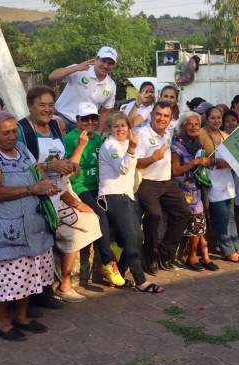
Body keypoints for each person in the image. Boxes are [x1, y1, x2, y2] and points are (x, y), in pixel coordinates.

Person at [0, 111, 61, 342]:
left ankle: (22, 316)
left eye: (13, 130)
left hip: (32, 227)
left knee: (27, 274)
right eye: (5, 132)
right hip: (5, 231)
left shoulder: (21, 148)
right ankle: (3, 323)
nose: (10, 136)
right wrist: (31, 190)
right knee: (6, 279)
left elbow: (34, 169)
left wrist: (44, 180)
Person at [16, 86, 85, 304]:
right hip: (33, 195)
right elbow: (21, 166)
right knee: (33, 246)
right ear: (30, 106)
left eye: (50, 105)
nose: (47, 110)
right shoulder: (21, 129)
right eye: (42, 105)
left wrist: (69, 165)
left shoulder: (57, 125)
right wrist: (49, 165)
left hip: (55, 191)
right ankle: (31, 297)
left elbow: (59, 156)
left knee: (48, 243)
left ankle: (45, 292)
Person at [98, 112, 164, 293]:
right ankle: (140, 281)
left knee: (138, 237)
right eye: (115, 126)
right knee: (131, 238)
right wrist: (132, 149)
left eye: (123, 125)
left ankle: (118, 274)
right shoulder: (110, 145)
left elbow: (137, 164)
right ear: (110, 129)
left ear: (128, 128)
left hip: (127, 195)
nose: (120, 129)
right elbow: (123, 168)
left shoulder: (126, 144)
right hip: (113, 195)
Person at [62, 102, 125, 287]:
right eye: (85, 118)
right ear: (77, 120)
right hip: (79, 186)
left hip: (99, 186)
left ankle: (113, 254)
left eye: (93, 118)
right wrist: (81, 145)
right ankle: (107, 262)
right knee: (100, 215)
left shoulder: (98, 139)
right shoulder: (71, 139)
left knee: (122, 214)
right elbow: (70, 172)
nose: (90, 122)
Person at [135, 101, 191, 272]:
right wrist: (152, 158)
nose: (161, 118)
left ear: (170, 118)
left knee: (184, 213)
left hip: (166, 182)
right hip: (147, 182)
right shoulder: (141, 134)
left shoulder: (167, 133)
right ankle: (149, 256)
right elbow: (135, 163)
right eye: (158, 114)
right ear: (152, 115)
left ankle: (165, 252)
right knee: (154, 214)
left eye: (166, 116)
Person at [199, 106, 239, 263]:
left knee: (231, 217)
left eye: (218, 118)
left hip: (227, 181)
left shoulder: (225, 135)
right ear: (206, 119)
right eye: (213, 118)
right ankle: (227, 250)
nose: (216, 120)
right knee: (221, 217)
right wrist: (215, 161)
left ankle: (236, 246)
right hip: (212, 181)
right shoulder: (201, 134)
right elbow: (202, 157)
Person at [172, 112, 219, 272]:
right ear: (183, 126)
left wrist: (205, 162)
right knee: (198, 220)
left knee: (200, 221)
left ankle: (201, 255)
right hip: (182, 190)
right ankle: (194, 257)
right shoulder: (177, 144)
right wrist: (193, 163)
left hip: (196, 188)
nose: (193, 127)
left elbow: (201, 162)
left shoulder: (197, 143)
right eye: (189, 124)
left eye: (196, 124)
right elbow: (176, 170)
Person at [48, 46, 118, 133]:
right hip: (62, 119)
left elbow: (105, 111)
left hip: (84, 127)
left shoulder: (111, 86)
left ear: (113, 66)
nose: (105, 65)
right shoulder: (79, 69)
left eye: (110, 63)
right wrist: (75, 68)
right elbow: (52, 77)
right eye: (103, 61)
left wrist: (99, 134)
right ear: (96, 59)